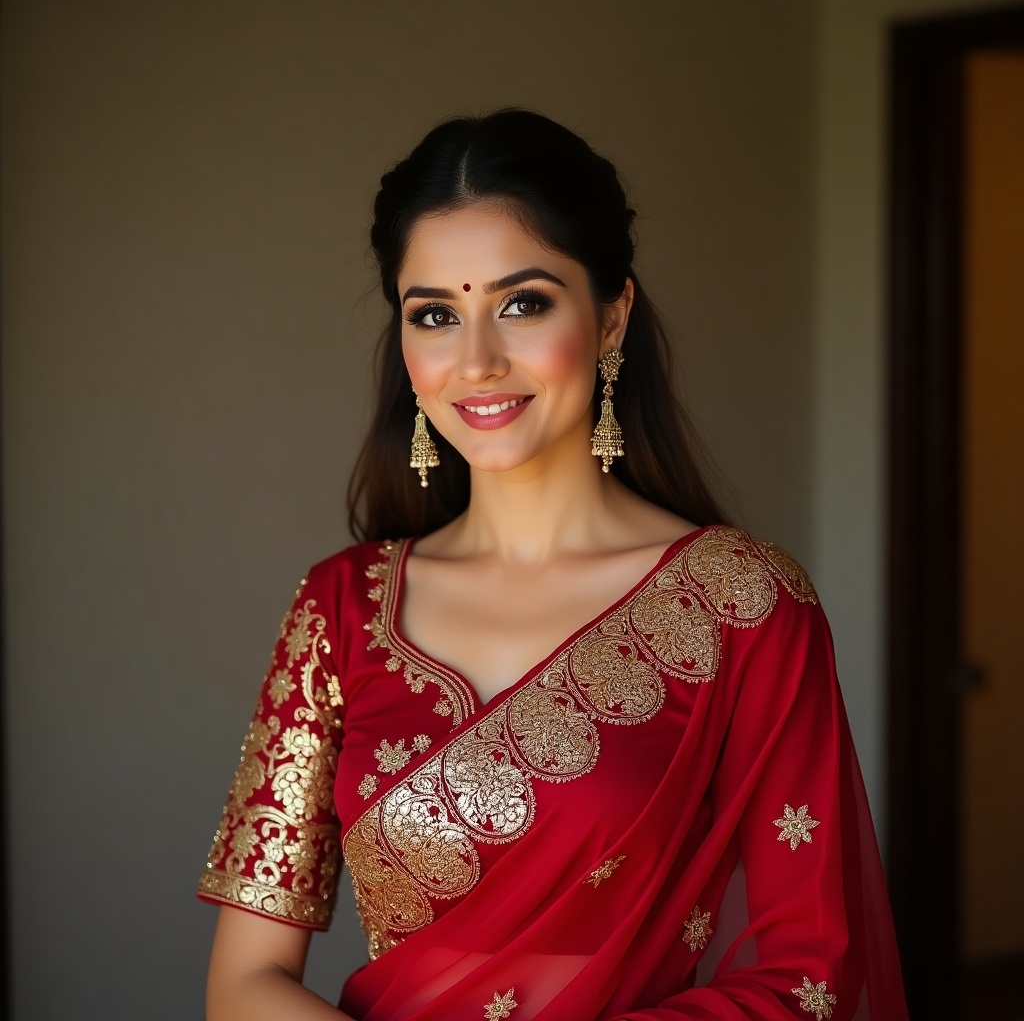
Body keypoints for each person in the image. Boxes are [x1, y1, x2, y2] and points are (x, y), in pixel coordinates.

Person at [197, 108, 908, 1021]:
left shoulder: (744, 603)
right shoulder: (340, 607)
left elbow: (813, 976)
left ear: (612, 316)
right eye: (435, 316)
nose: (478, 360)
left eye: (523, 303)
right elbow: (244, 985)